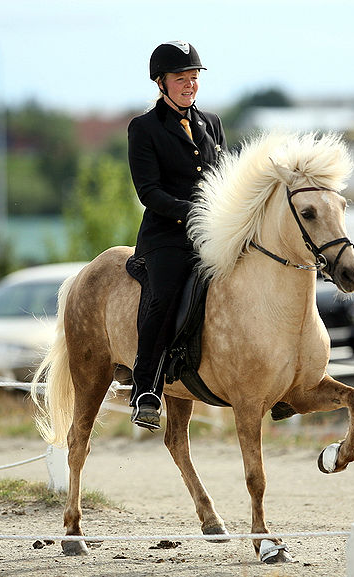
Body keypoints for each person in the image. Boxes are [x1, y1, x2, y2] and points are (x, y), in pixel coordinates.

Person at [127, 41, 227, 430]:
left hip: (213, 235)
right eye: (181, 78)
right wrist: (193, 213)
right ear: (161, 83)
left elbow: (222, 178)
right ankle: (146, 388)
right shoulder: (144, 128)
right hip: (167, 236)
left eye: (193, 77)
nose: (190, 85)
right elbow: (148, 192)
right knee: (165, 295)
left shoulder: (212, 123)